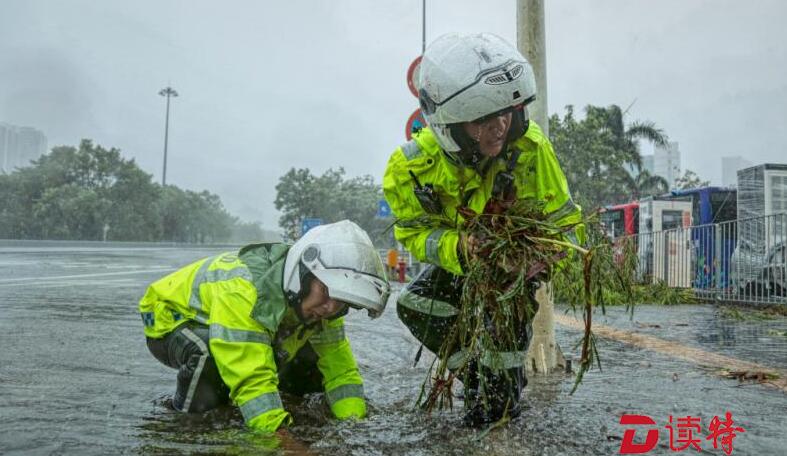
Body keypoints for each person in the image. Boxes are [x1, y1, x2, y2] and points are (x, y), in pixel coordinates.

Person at [382, 33, 583, 426]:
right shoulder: (410, 168)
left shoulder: (530, 149)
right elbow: (414, 233)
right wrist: (460, 247)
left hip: (512, 274)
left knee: (497, 390)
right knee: (415, 304)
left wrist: (542, 257)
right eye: (483, 119)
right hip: (462, 263)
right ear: (449, 125)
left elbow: (565, 224)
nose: (500, 126)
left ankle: (500, 404)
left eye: (506, 113)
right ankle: (477, 376)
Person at [139, 220, 390, 434]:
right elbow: (252, 378)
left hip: (232, 322)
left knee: (310, 358)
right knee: (210, 353)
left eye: (341, 300)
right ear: (302, 275)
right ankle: (186, 424)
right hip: (170, 318)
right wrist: (281, 442)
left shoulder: (325, 309)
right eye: (325, 291)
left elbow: (341, 372)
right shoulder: (244, 291)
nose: (329, 308)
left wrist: (353, 424)